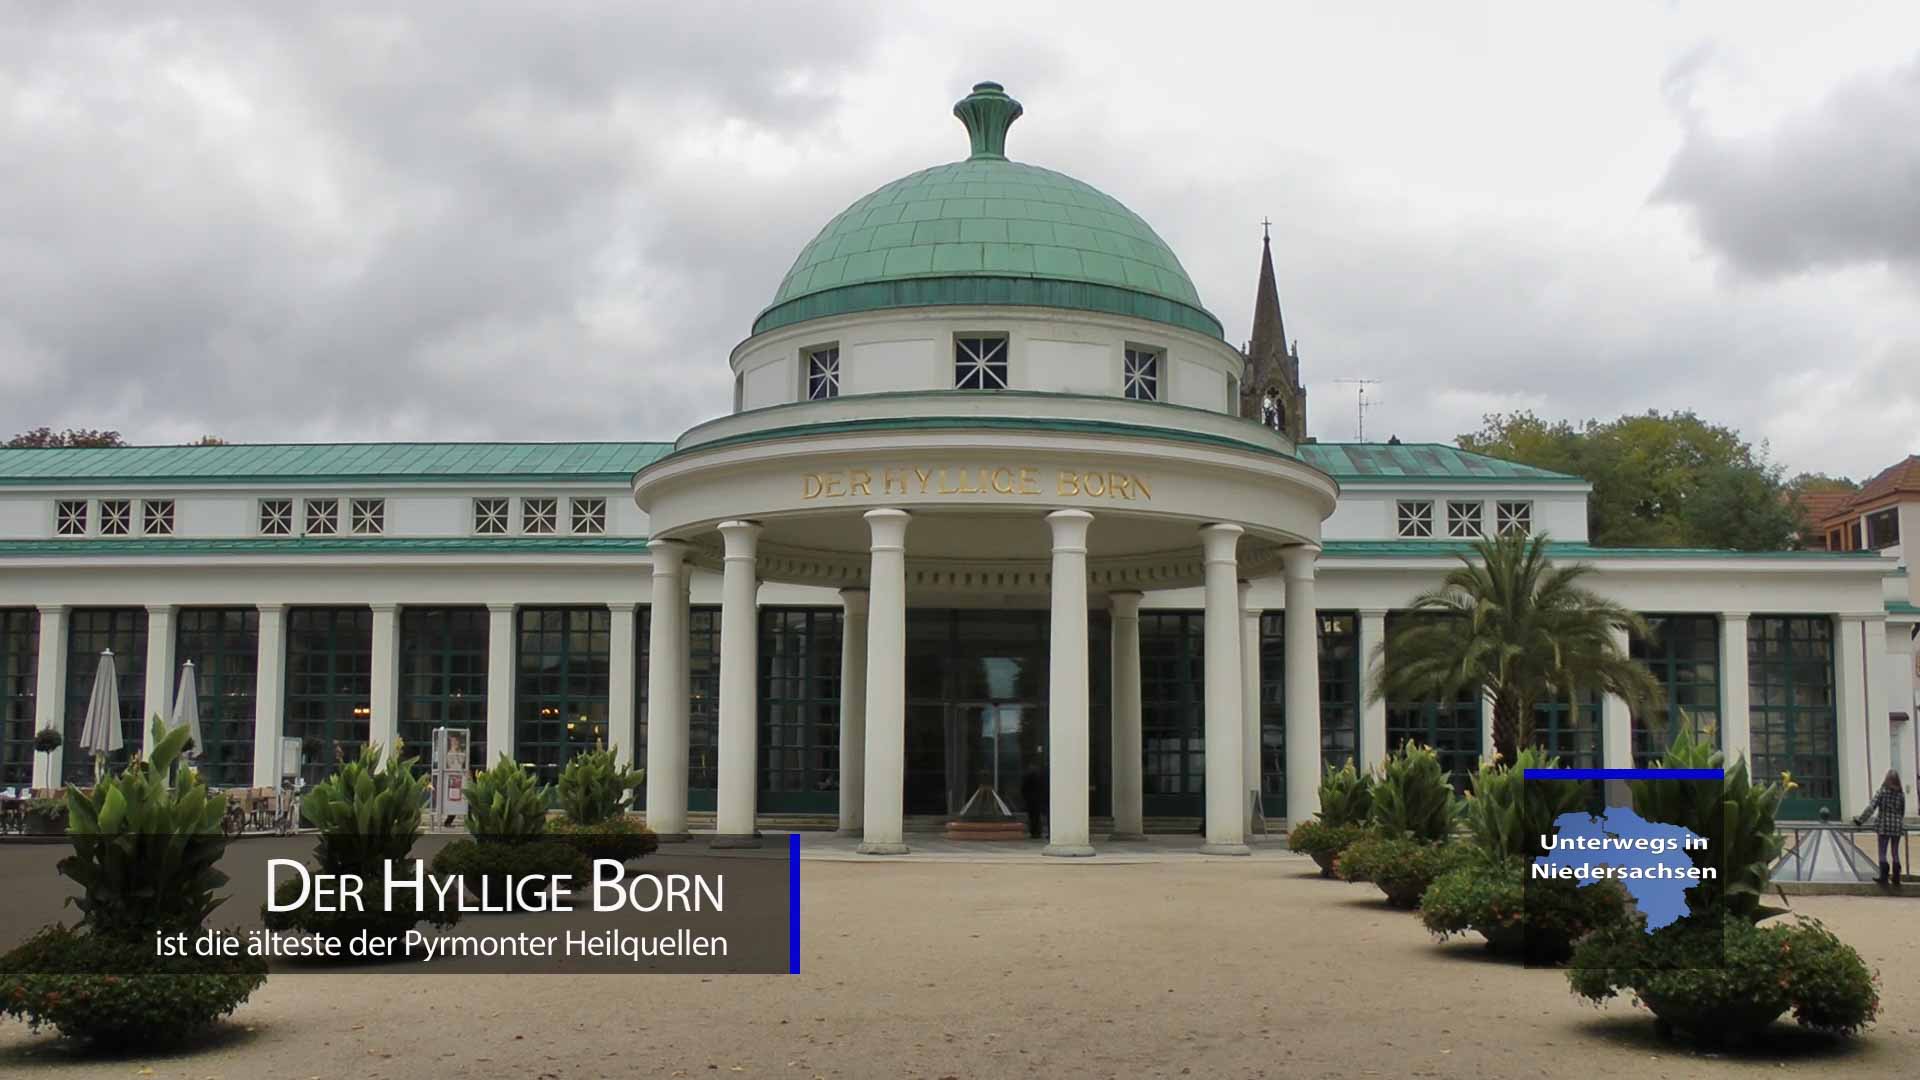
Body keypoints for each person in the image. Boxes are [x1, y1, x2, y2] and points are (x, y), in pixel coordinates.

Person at [1853, 769, 1907, 886]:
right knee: (1895, 852)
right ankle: (1896, 876)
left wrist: (1861, 820)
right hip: (1897, 826)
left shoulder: (1882, 792)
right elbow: (1902, 811)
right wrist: (1898, 821)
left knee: (1882, 852)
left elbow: (1871, 808)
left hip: (1883, 825)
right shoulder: (1901, 794)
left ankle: (1884, 876)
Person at [1019, 763, 1046, 841]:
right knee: (1037, 816)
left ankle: (1034, 832)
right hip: (1037, 799)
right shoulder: (1040, 777)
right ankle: (1037, 832)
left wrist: (1025, 797)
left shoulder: (1027, 777)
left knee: (1032, 817)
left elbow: (1023, 788)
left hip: (1031, 799)